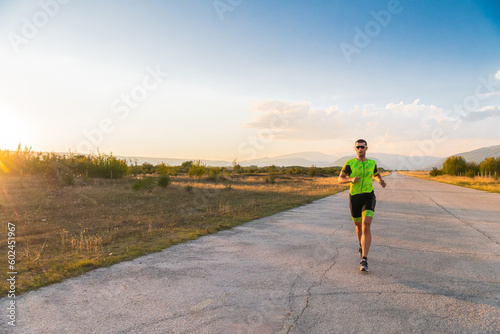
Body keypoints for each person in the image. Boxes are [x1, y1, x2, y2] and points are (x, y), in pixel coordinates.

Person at [338, 139, 386, 272]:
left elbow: (376, 174)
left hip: (368, 196)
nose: (360, 149)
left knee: (366, 225)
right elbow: (340, 179)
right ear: (355, 149)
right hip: (354, 198)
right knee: (358, 226)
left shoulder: (372, 163)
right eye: (358, 147)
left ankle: (364, 259)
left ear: (366, 148)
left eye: (362, 147)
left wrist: (380, 180)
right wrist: (350, 179)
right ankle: (361, 244)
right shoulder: (350, 163)